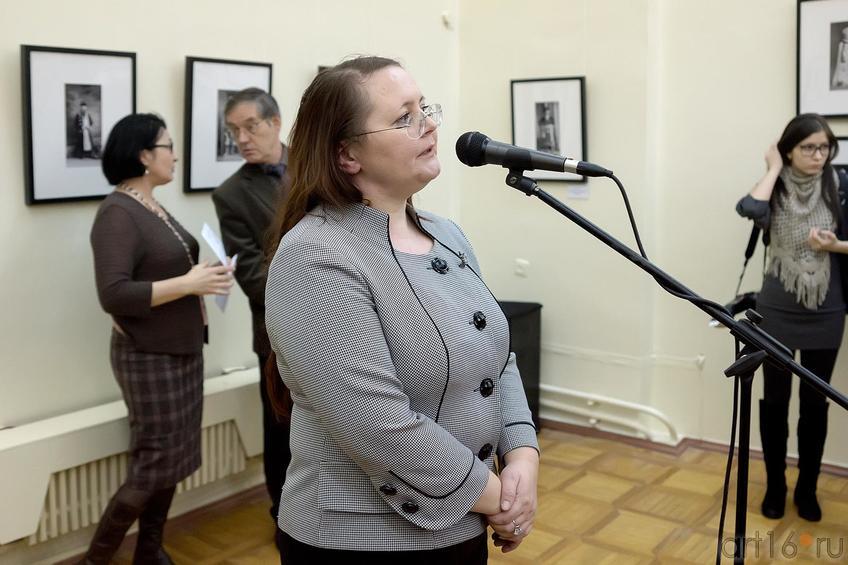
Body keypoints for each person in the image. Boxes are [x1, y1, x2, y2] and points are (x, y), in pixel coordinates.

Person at [264, 56, 540, 563]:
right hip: (359, 539)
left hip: (462, 523)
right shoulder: (317, 254)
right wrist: (500, 498)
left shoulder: (447, 234)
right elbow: (377, 422)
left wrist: (522, 454)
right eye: (404, 116)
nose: (429, 124)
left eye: (425, 107)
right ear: (348, 155)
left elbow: (497, 358)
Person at [84, 113, 233, 563]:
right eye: (168, 146)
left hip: (183, 348)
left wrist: (204, 276)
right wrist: (189, 284)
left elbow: (167, 270)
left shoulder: (150, 205)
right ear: (145, 155)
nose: (175, 154)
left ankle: (149, 548)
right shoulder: (117, 212)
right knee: (153, 463)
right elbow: (113, 293)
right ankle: (96, 559)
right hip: (149, 356)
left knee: (173, 459)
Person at [736, 113, 846, 522]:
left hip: (827, 311)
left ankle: (807, 488)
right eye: (809, 148)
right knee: (775, 403)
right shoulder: (776, 187)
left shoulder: (841, 185)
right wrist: (774, 167)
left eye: (824, 147)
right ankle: (777, 486)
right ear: (789, 150)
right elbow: (749, 208)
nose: (819, 155)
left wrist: (834, 247)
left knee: (815, 405)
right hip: (776, 312)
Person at [211, 87, 292, 546]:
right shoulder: (230, 195)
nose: (241, 138)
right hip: (277, 334)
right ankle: (283, 517)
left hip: (349, 322)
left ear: (275, 122)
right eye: (233, 131)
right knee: (281, 431)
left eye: (250, 126)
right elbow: (253, 277)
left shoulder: (318, 163)